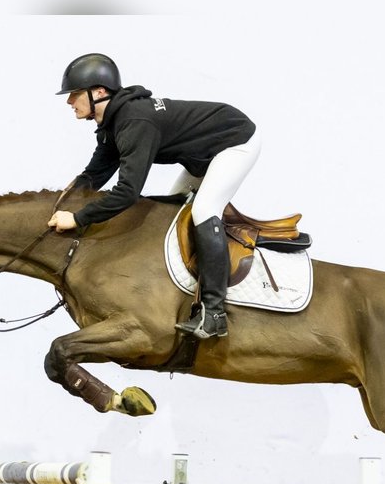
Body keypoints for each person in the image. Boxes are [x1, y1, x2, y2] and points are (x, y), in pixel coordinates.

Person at [48, 53, 260, 340]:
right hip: (203, 155)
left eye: (74, 94)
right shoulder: (113, 124)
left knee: (203, 211)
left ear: (98, 92)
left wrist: (77, 218)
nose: (69, 102)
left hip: (235, 142)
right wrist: (64, 199)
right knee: (170, 219)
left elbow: (127, 193)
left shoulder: (134, 123)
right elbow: (96, 172)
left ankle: (214, 313)